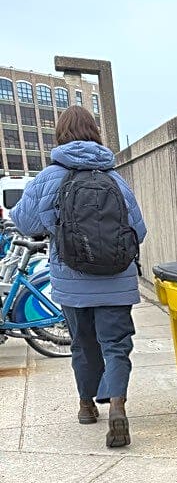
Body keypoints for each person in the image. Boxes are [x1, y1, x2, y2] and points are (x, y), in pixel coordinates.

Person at [11, 106, 147, 448]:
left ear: (60, 135)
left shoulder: (49, 177)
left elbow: (25, 223)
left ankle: (87, 406)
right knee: (116, 345)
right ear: (95, 133)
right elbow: (139, 231)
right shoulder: (114, 176)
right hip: (116, 280)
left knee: (83, 345)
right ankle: (117, 405)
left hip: (71, 281)